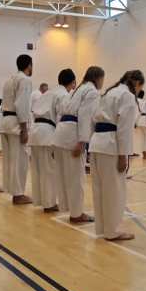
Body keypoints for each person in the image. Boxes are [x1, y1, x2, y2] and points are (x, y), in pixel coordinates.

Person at [89, 70, 144, 242]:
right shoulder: (127, 96)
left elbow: (93, 119)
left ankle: (102, 228)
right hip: (111, 145)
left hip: (97, 143)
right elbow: (124, 128)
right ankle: (112, 231)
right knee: (114, 191)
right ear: (137, 83)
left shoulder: (108, 93)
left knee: (99, 189)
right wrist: (123, 155)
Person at [54, 65, 104, 224]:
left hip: (61, 132)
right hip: (73, 135)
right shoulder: (92, 92)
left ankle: (67, 207)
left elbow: (61, 110)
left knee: (63, 175)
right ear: (98, 78)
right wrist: (82, 141)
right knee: (76, 177)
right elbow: (85, 116)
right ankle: (76, 214)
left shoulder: (77, 90)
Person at [30, 68, 76, 213]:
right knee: (49, 169)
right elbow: (60, 118)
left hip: (35, 130)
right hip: (48, 132)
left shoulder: (48, 92)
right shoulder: (64, 95)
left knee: (38, 169)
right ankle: (49, 203)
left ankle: (41, 200)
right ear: (73, 82)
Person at [0, 54, 33, 204]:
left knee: (10, 160)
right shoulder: (24, 80)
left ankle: (13, 191)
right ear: (29, 65)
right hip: (16, 122)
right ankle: (18, 194)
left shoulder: (9, 80)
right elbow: (22, 104)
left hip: (6, 121)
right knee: (20, 160)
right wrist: (24, 128)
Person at [134, 90, 146, 160]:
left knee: (143, 138)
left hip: (140, 120)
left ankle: (144, 154)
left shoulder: (144, 102)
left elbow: (138, 112)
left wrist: (136, 122)